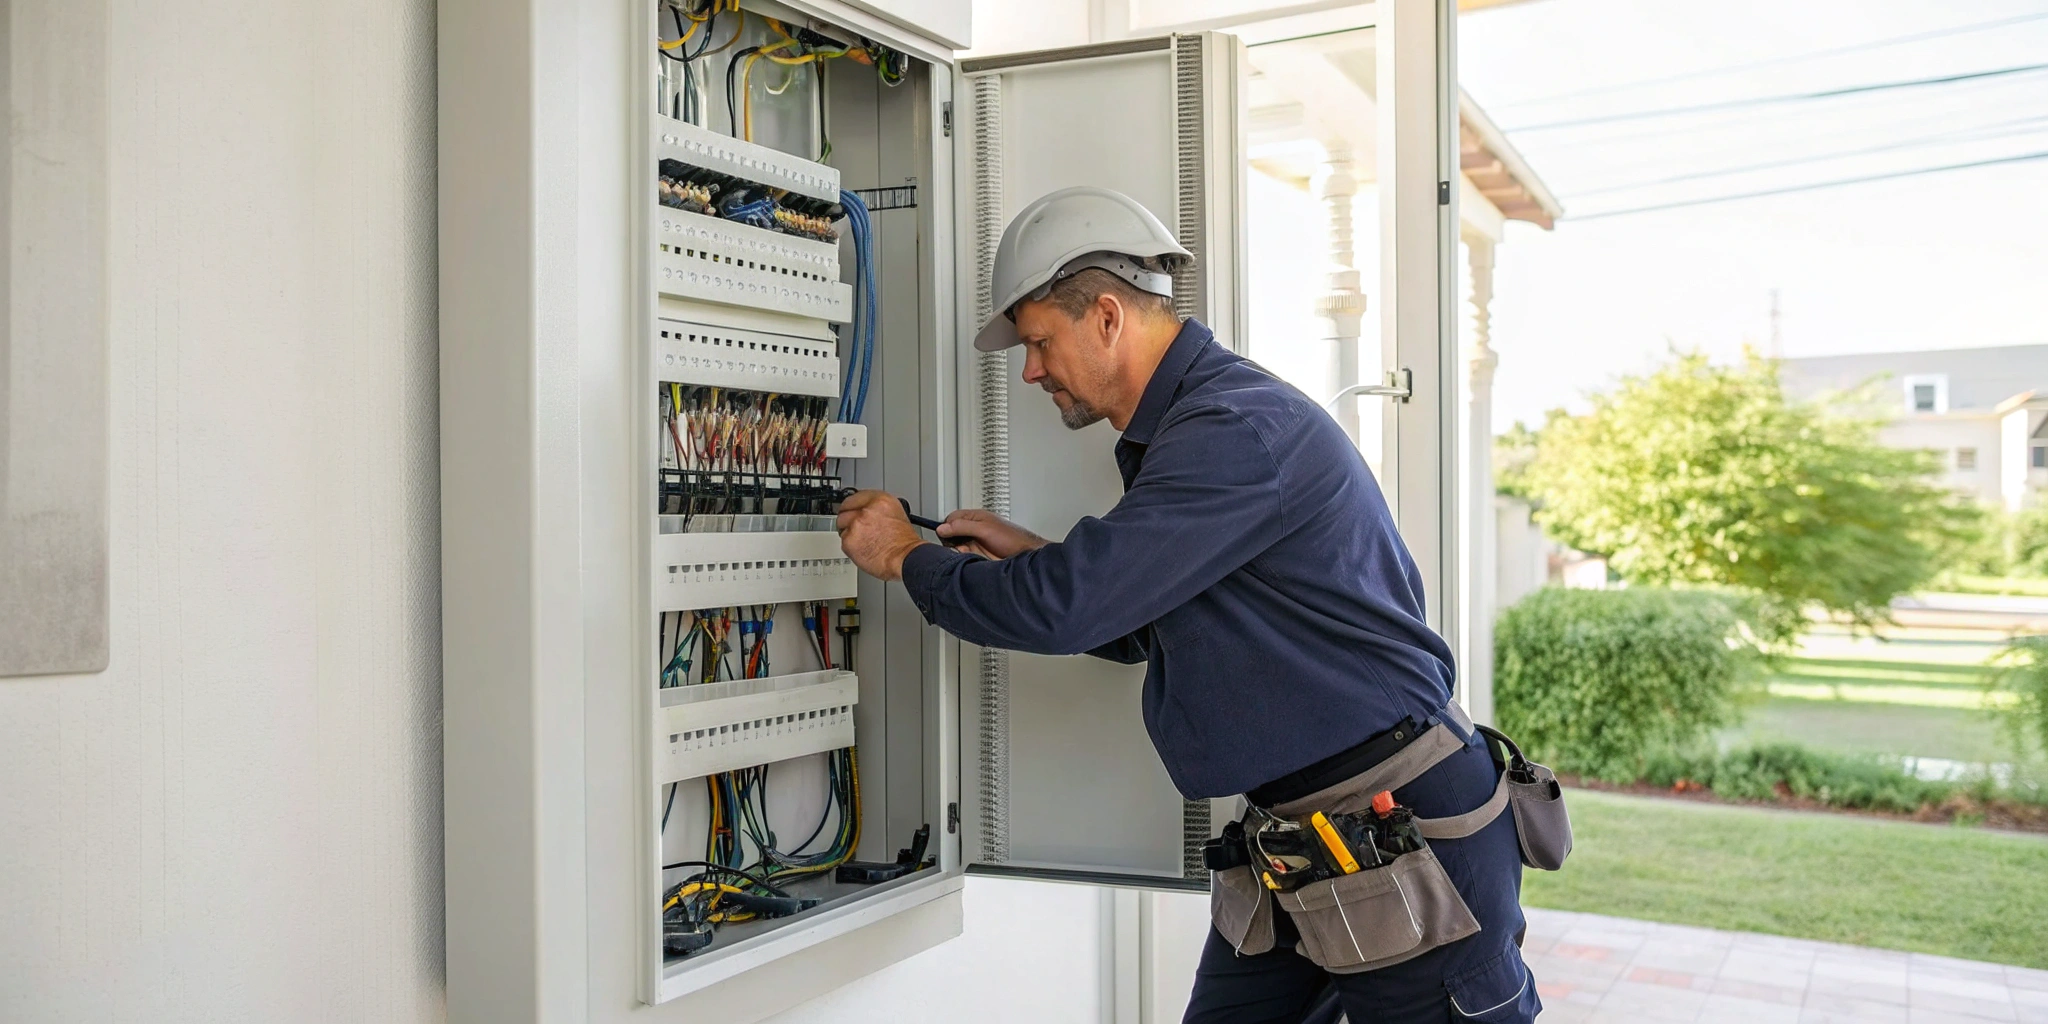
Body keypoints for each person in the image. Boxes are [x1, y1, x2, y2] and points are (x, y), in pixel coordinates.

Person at [835, 186, 1541, 1023]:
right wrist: (1034, 556)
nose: (1029, 371)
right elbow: (1142, 624)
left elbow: (1069, 610)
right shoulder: (1186, 432)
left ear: (1105, 316)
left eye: (1037, 342)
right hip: (1301, 841)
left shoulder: (1231, 431)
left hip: (1400, 832)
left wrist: (908, 559)